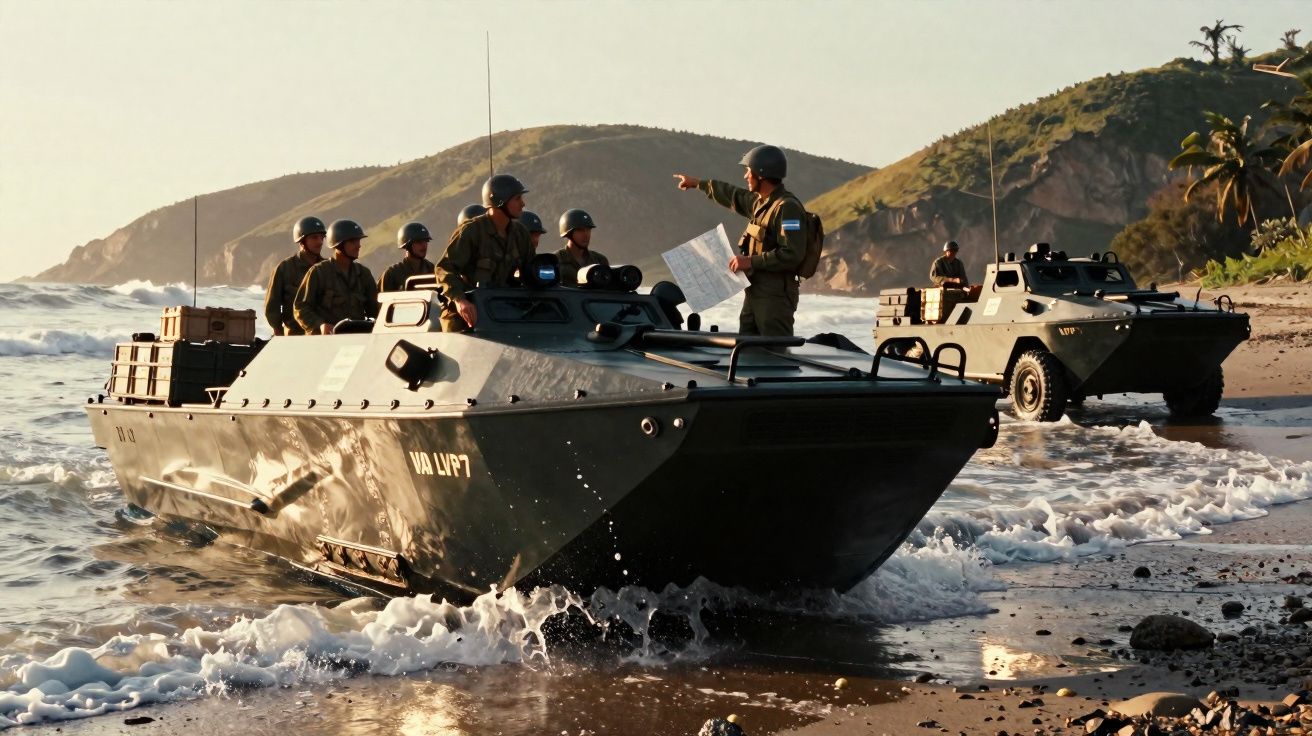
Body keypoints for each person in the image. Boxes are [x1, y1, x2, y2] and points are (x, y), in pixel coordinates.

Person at [673, 144, 806, 336]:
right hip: (754, 293)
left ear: (761, 174)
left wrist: (750, 261)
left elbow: (792, 254)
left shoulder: (787, 208)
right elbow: (733, 195)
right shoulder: (761, 203)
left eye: (748, 171)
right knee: (748, 354)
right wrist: (698, 184)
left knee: (775, 357)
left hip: (775, 298)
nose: (745, 176)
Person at [433, 174, 533, 331]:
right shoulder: (472, 231)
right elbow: (444, 268)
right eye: (517, 199)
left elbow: (531, 271)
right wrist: (460, 301)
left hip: (503, 309)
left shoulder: (520, 234)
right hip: (468, 311)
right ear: (500, 201)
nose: (523, 204)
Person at [293, 219, 379, 334]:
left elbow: (375, 310)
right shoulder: (319, 272)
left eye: (358, 241)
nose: (358, 246)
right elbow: (301, 308)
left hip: (357, 339)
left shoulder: (363, 274)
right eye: (353, 241)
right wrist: (320, 325)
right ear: (339, 244)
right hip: (326, 341)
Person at [263, 216, 326, 335]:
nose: (320, 242)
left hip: (323, 334)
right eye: (314, 238)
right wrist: (278, 330)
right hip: (294, 335)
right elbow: (272, 306)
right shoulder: (285, 268)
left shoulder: (326, 268)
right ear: (302, 241)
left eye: (322, 237)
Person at [554, 209, 610, 285]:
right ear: (569, 234)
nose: (586, 234)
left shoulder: (600, 260)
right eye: (580, 230)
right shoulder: (555, 260)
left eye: (588, 230)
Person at [378, 222, 435, 292]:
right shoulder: (392, 274)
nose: (424, 245)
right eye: (418, 241)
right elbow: (382, 300)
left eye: (426, 241)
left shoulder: (433, 271)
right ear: (407, 245)